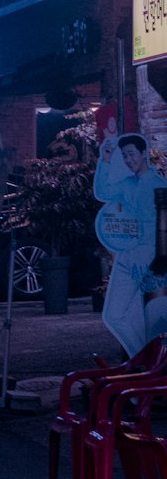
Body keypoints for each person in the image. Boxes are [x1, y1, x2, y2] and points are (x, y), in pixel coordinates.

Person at [94, 132, 163, 355]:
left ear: (144, 154)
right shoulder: (127, 184)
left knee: (153, 316)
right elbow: (103, 192)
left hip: (151, 258)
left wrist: (150, 255)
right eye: (124, 156)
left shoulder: (160, 185)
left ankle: (154, 365)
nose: (128, 160)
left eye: (132, 154)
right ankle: (142, 359)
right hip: (127, 257)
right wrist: (104, 160)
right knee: (114, 315)